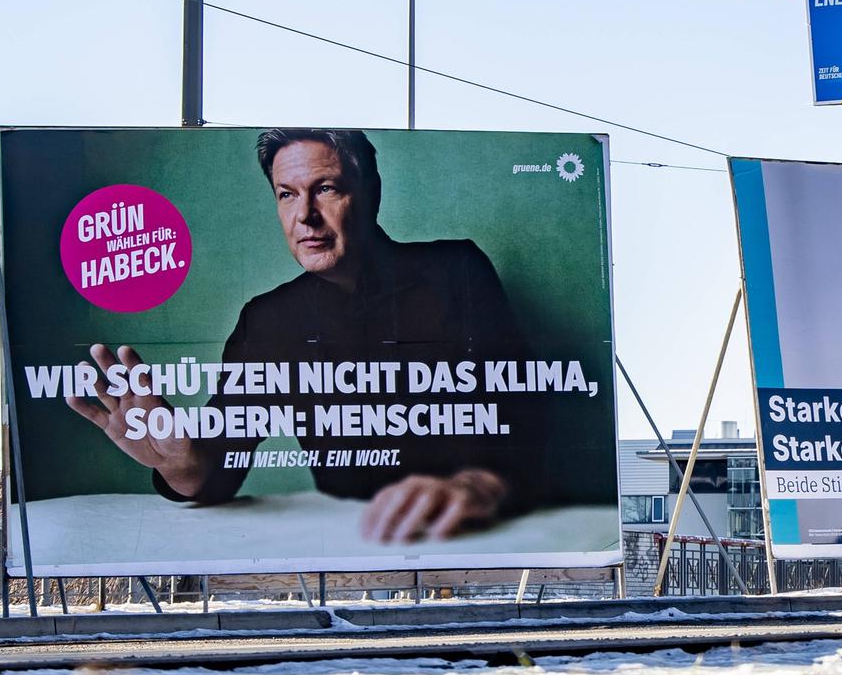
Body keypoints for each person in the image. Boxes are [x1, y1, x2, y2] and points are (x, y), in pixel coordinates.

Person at [63, 128, 546, 543]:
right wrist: (179, 462)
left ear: (371, 192)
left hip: (477, 540)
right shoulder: (268, 320)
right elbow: (219, 468)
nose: (305, 216)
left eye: (327, 189)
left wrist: (476, 484)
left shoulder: (455, 271)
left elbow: (529, 411)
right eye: (287, 194)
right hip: (345, 548)